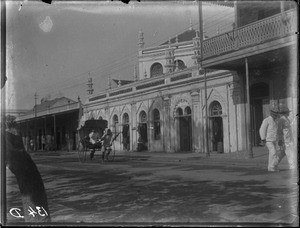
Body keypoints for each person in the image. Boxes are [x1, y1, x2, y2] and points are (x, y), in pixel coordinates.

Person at [259, 107, 280, 172]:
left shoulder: (275, 121)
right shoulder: (267, 120)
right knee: (273, 152)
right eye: (274, 114)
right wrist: (263, 139)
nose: (275, 115)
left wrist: (279, 139)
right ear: (271, 113)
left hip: (274, 140)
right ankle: (271, 167)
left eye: (276, 114)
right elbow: (262, 129)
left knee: (274, 154)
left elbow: (276, 131)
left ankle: (274, 166)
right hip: (268, 140)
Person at [276, 105, 296, 170]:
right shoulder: (281, 120)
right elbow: (279, 131)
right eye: (287, 112)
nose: (289, 113)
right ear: (284, 113)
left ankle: (274, 164)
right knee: (289, 153)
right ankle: (292, 166)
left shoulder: (287, 119)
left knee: (283, 153)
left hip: (289, 139)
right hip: (285, 140)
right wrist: (280, 140)